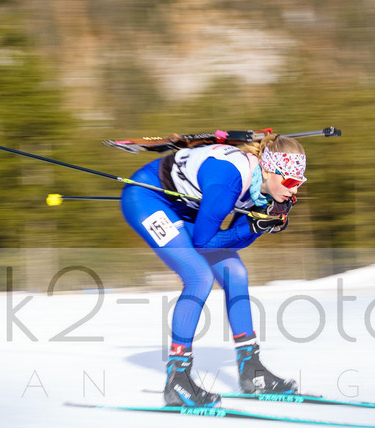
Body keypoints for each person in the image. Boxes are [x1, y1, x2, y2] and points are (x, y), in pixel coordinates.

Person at [120, 133, 305, 407]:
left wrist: (260, 224)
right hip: (148, 198)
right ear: (268, 169)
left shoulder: (263, 189)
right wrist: (251, 226)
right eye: (289, 181)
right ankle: (177, 379)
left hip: (187, 208)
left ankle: (251, 370)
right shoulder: (229, 179)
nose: (294, 190)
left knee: (236, 274)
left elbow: (234, 239)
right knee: (199, 276)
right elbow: (204, 243)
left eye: (299, 182)